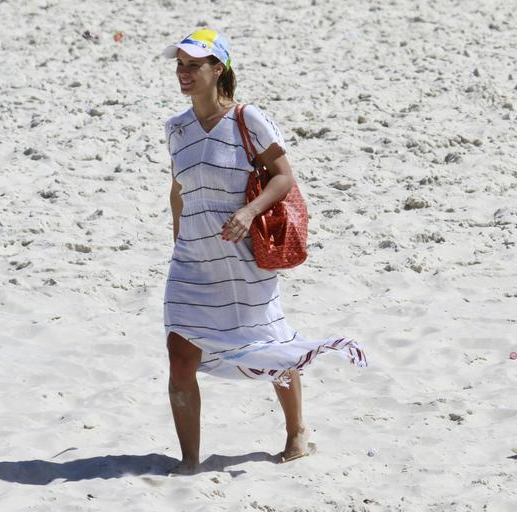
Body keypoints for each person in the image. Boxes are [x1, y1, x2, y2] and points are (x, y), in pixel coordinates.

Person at [161, 28, 367, 474]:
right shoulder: (175, 128)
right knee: (180, 353)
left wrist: (249, 212)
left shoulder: (247, 119)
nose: (183, 72)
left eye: (193, 65)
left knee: (268, 342)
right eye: (179, 64)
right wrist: (179, 242)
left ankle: (297, 431)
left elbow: (282, 177)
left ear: (219, 69)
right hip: (192, 262)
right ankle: (189, 461)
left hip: (242, 260)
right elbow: (178, 190)